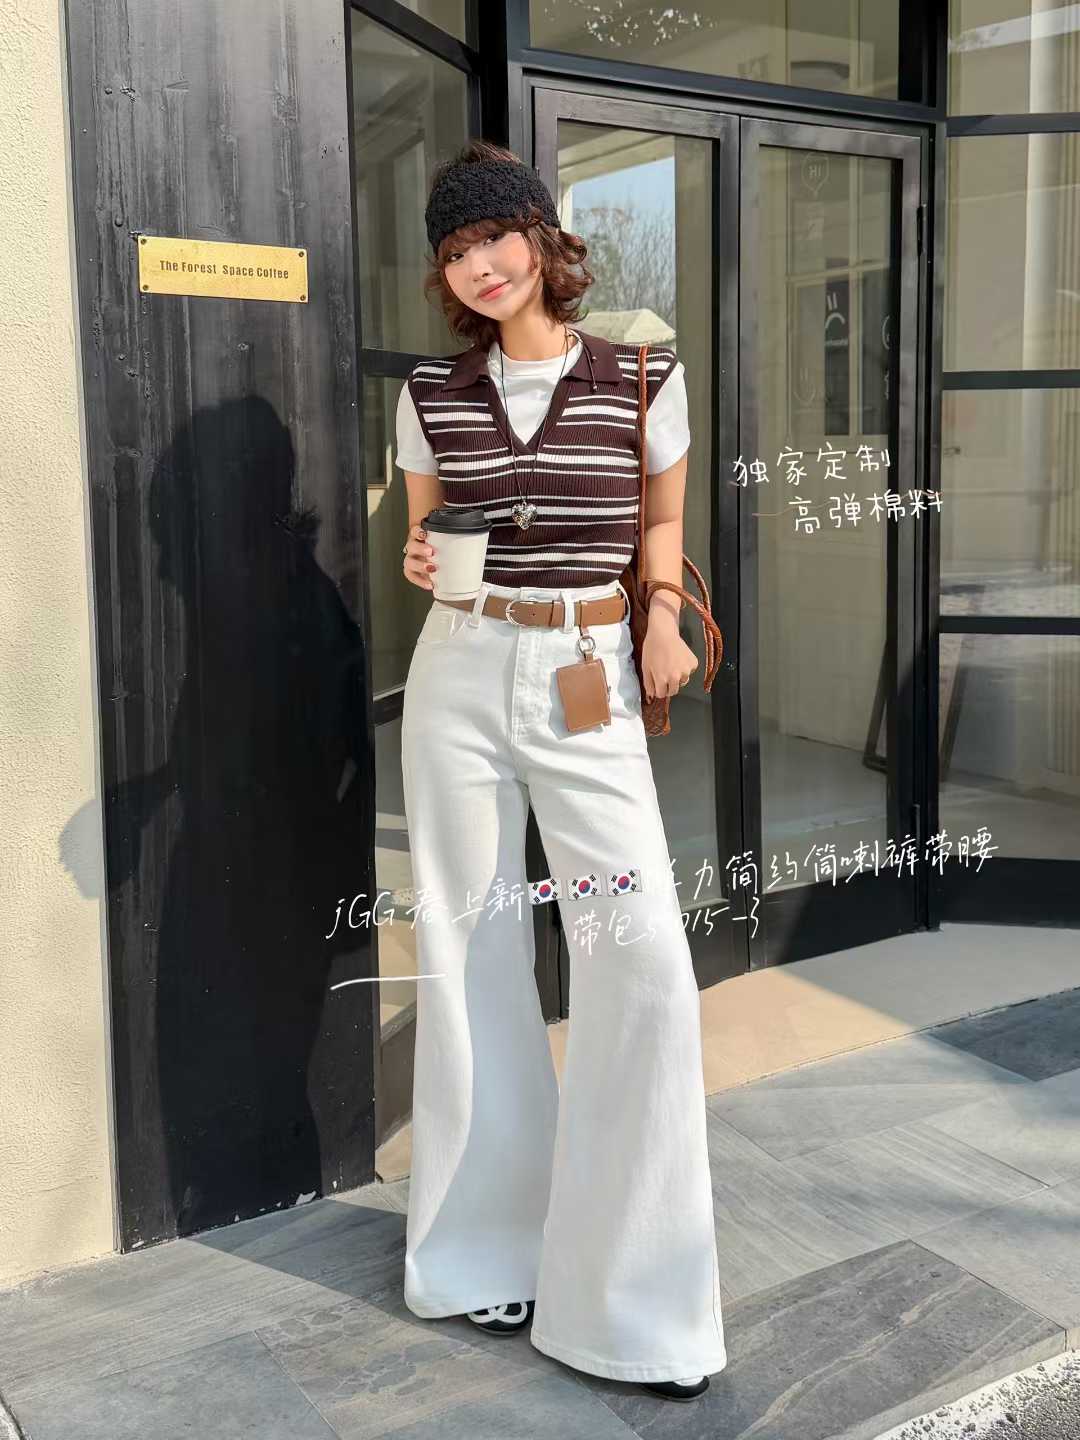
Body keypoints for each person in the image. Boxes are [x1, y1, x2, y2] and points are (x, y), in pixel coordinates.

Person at [394, 139, 727, 1403]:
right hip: (461, 671)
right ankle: (483, 1253)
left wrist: (661, 616)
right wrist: (418, 559)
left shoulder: (640, 371)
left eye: (493, 237)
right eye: (454, 251)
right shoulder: (430, 394)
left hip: (588, 667)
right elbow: (425, 537)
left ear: (539, 236)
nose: (478, 266)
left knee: (636, 955)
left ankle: (636, 1302)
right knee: (470, 948)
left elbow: (662, 519)